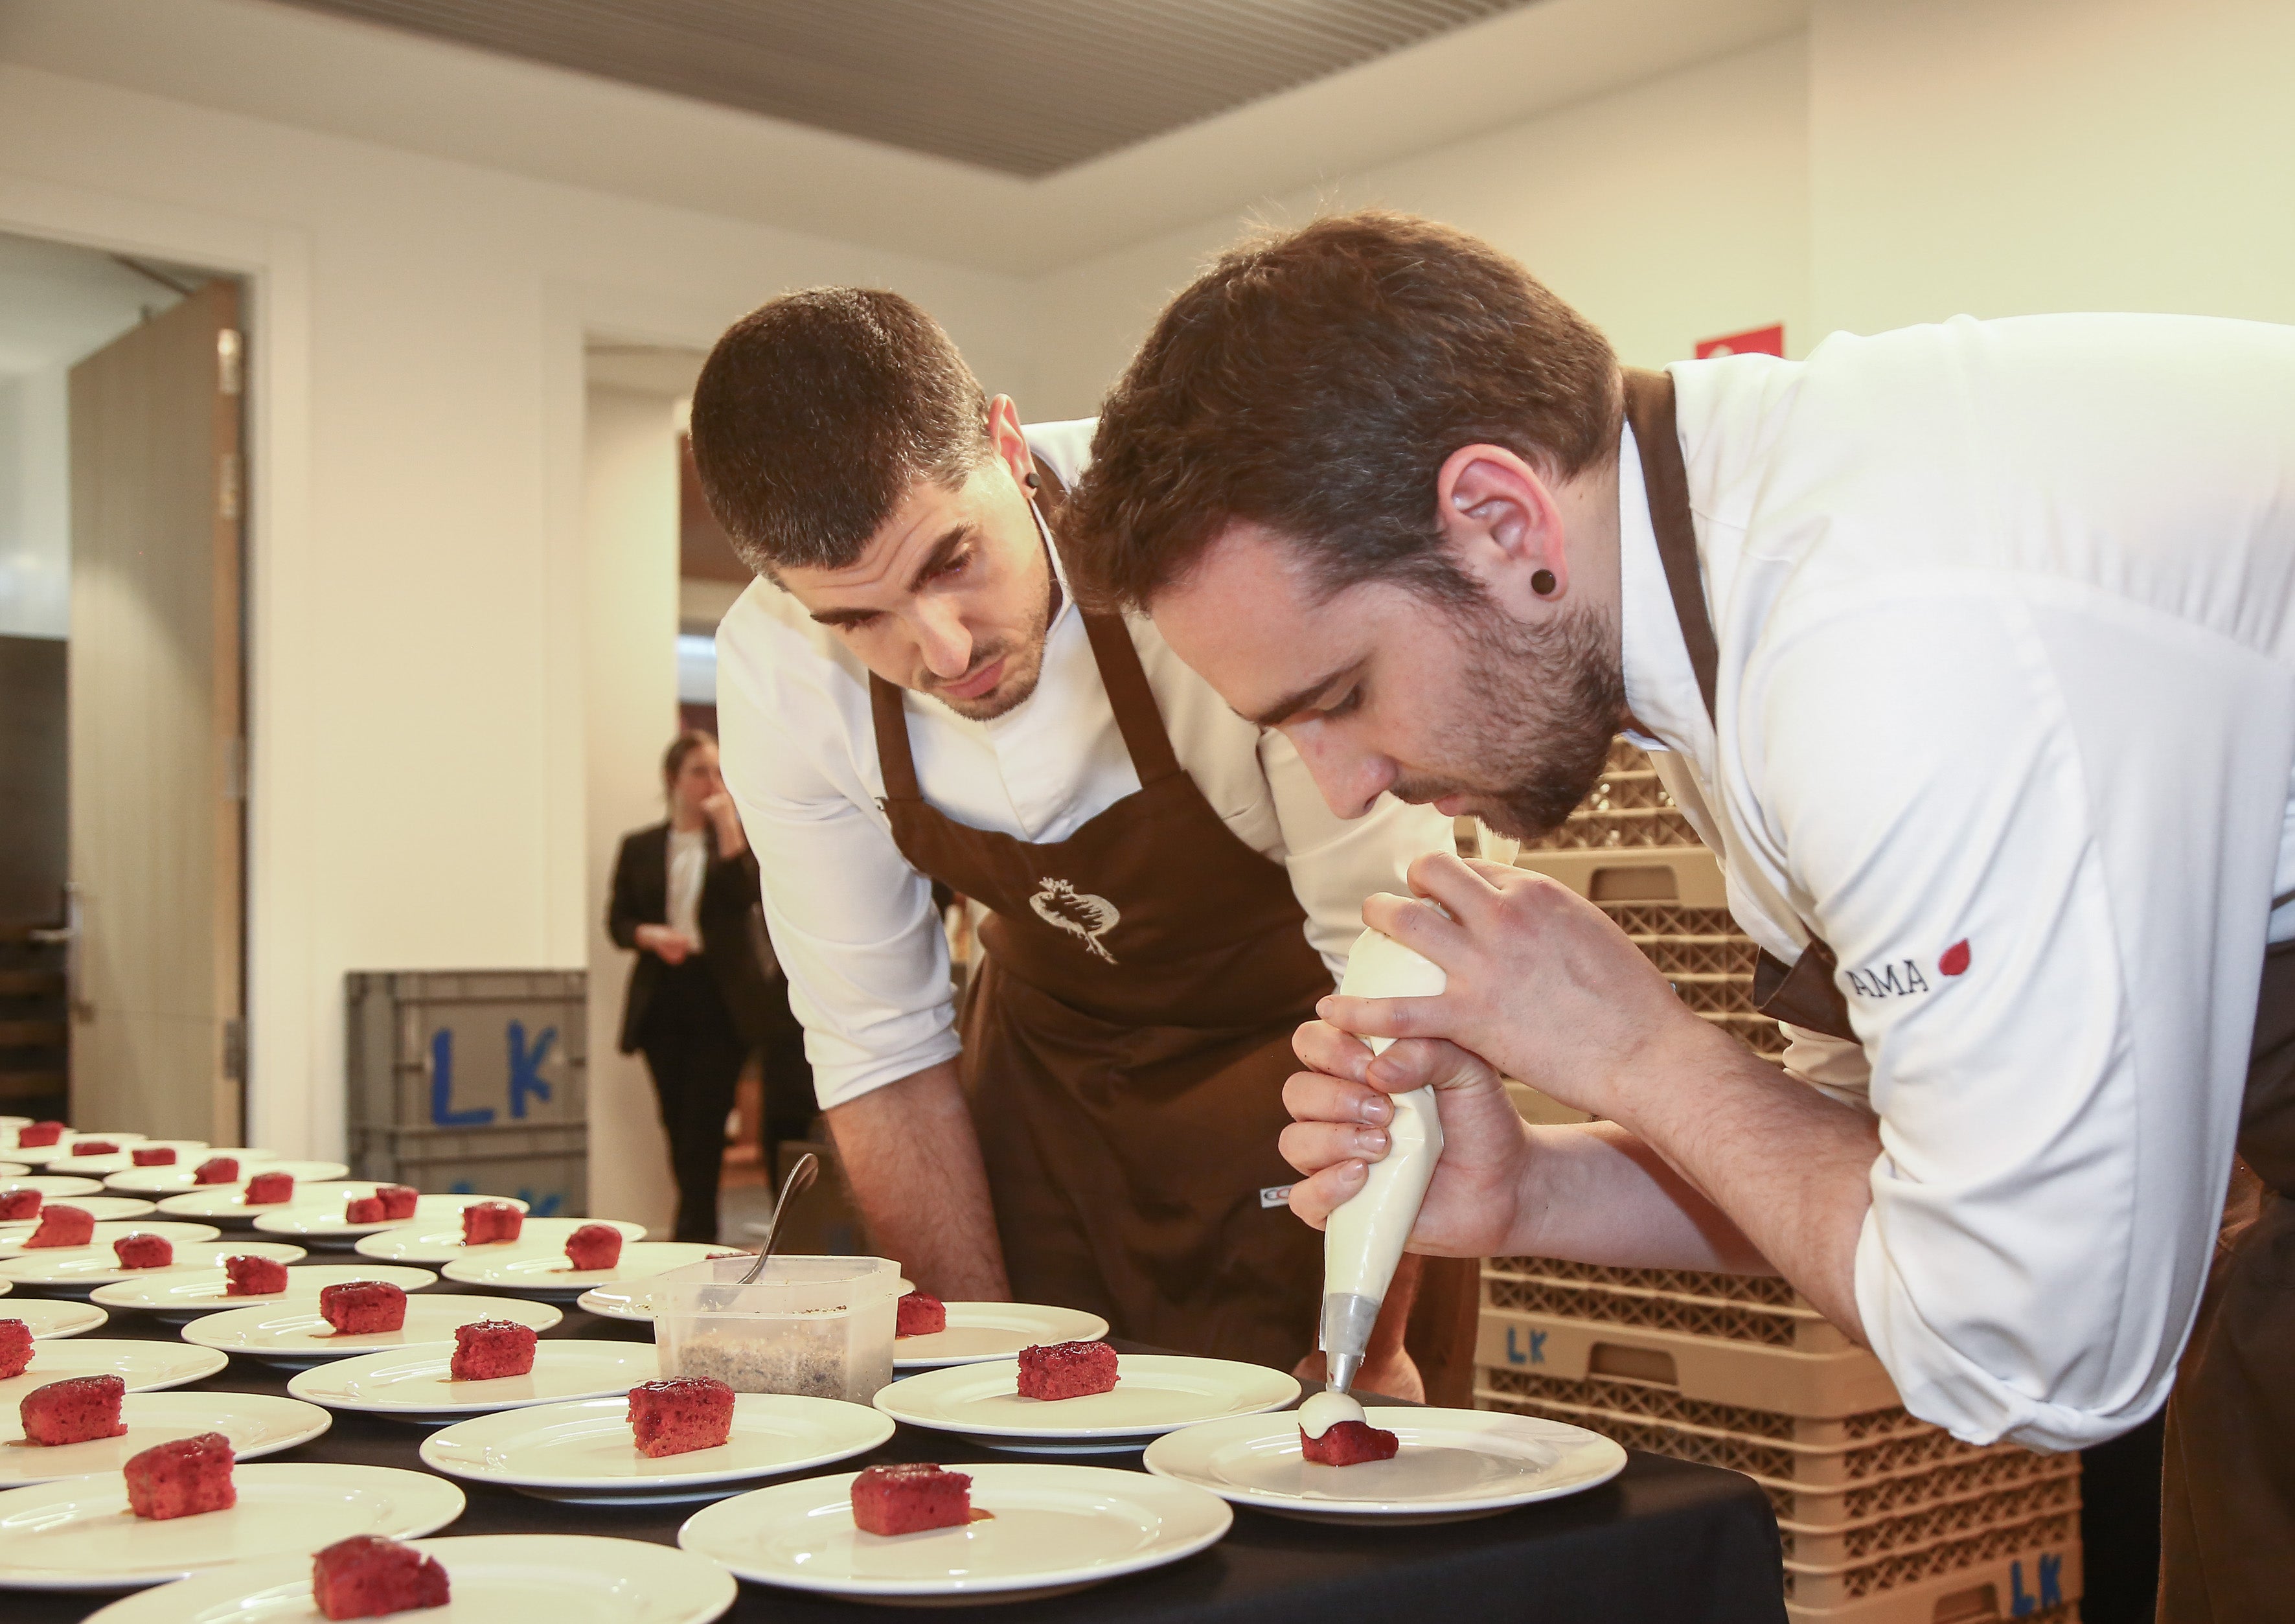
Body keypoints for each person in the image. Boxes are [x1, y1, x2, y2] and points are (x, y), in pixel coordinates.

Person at [1063, 212, 2295, 1622]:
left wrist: (1639, 1049)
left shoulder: (1891, 644)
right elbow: (1881, 1174)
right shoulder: (1720, 583)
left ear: (1498, 517)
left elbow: (2037, 1353)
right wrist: (1533, 1184)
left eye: (1337, 697)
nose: (1343, 790)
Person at [687, 288, 1467, 1393]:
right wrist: (980, 1381)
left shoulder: (1220, 533)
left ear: (1006, 444)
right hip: (1045, 1094)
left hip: (1312, 1081)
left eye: (950, 560)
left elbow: (1393, 972)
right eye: (859, 620)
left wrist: (1370, 1344)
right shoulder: (774, 669)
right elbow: (878, 1049)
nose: (940, 648)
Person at [609, 731, 802, 1242]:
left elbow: (746, 897)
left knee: (708, 1120)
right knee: (675, 1121)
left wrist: (728, 824)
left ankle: (695, 1234)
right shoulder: (641, 846)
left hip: (719, 999)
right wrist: (648, 935)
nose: (710, 783)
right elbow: (618, 920)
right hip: (663, 994)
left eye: (718, 772)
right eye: (699, 771)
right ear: (673, 778)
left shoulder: (734, 844)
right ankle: (694, 1228)